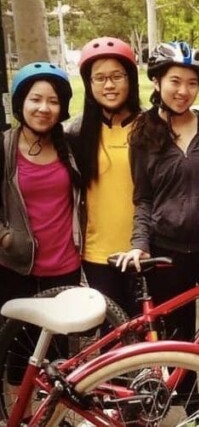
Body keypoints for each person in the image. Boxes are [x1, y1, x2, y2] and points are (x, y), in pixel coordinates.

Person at [114, 41, 199, 356]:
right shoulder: (143, 134)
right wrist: (139, 244)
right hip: (168, 254)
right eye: (175, 81)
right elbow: (143, 198)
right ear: (157, 82)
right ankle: (189, 404)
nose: (183, 90)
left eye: (192, 83)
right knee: (178, 342)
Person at [66, 37, 142, 317]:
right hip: (98, 255)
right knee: (111, 336)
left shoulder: (150, 128)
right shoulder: (76, 135)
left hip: (142, 252)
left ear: (130, 79)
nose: (108, 85)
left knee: (148, 338)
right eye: (99, 78)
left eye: (116, 76)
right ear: (88, 84)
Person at [0, 62, 82, 312]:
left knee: (59, 347)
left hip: (65, 268)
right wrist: (4, 238)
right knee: (15, 346)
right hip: (16, 267)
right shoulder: (5, 148)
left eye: (53, 101)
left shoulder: (71, 147)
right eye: (35, 99)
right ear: (20, 103)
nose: (44, 108)